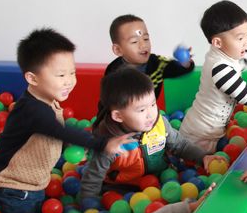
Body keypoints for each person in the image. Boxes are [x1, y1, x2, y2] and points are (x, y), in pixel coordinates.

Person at [0, 28, 133, 213]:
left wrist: (69, 147)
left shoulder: (46, 102)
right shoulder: (33, 110)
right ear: (33, 78)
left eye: (72, 72)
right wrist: (102, 143)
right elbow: (59, 131)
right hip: (13, 188)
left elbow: (53, 133)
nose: (69, 81)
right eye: (61, 75)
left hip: (34, 183)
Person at [79, 67, 223, 200]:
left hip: (163, 179)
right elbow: (93, 175)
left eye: (153, 104)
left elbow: (181, 145)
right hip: (124, 188)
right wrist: (89, 203)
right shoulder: (109, 144)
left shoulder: (159, 124)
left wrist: (203, 157)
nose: (151, 114)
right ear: (118, 116)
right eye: (141, 110)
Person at [179, 0, 247, 152]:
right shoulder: (219, 69)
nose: (246, 42)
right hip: (200, 135)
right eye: (240, 38)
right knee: (210, 159)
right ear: (217, 42)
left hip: (213, 129)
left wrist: (244, 38)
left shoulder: (225, 56)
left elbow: (242, 63)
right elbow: (245, 94)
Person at [105, 14, 194, 99]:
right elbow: (108, 102)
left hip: (150, 108)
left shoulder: (157, 64)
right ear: (118, 50)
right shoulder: (114, 74)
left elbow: (176, 69)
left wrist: (185, 62)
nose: (143, 45)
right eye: (134, 41)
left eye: (146, 39)